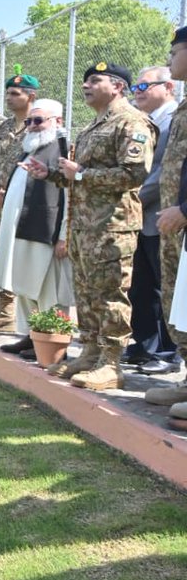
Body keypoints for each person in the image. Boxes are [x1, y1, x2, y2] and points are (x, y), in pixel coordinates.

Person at [29, 63, 155, 390]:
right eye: (85, 80)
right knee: (86, 293)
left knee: (111, 294)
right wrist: (53, 175)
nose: (86, 85)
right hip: (85, 227)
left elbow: (133, 175)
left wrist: (80, 174)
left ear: (118, 87)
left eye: (94, 80)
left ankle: (111, 363)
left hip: (113, 226)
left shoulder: (131, 122)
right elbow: (78, 177)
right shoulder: (92, 126)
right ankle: (90, 352)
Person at [0, 100, 74, 358]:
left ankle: (54, 341)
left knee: (48, 290)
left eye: (38, 121)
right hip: (24, 230)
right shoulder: (32, 147)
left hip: (46, 231)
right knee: (25, 285)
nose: (31, 126)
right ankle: (31, 336)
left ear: (57, 121)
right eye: (29, 121)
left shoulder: (62, 149)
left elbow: (70, 196)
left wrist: (65, 235)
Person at [120, 67, 181, 375]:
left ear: (168, 86)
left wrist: (132, 200)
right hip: (142, 219)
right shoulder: (148, 122)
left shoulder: (173, 121)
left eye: (144, 85)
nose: (138, 91)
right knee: (141, 286)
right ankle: (145, 344)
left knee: (162, 286)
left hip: (162, 216)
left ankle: (168, 351)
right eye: (135, 86)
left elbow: (163, 174)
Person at [0, 73, 39, 333]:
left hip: (26, 207)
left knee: (25, 256)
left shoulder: (40, 126)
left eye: (16, 94)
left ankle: (32, 316)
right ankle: (5, 312)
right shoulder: (1, 128)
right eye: (8, 94)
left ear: (31, 96)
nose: (9, 98)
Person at [149, 28, 187, 413]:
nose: (170, 58)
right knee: (179, 304)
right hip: (175, 227)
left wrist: (185, 209)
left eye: (174, 51)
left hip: (183, 219)